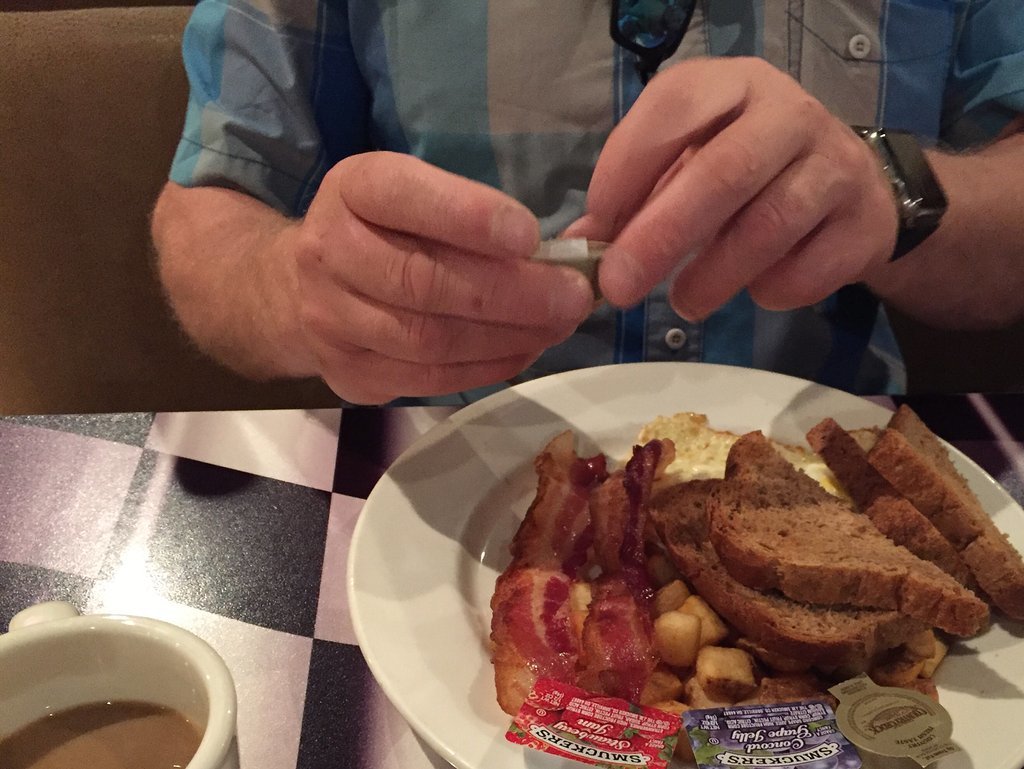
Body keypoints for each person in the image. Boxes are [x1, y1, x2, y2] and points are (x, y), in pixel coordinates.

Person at [151, 0, 1024, 406]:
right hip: (434, 510)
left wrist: (895, 189)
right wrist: (296, 291)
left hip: (835, 484)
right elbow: (209, 216)